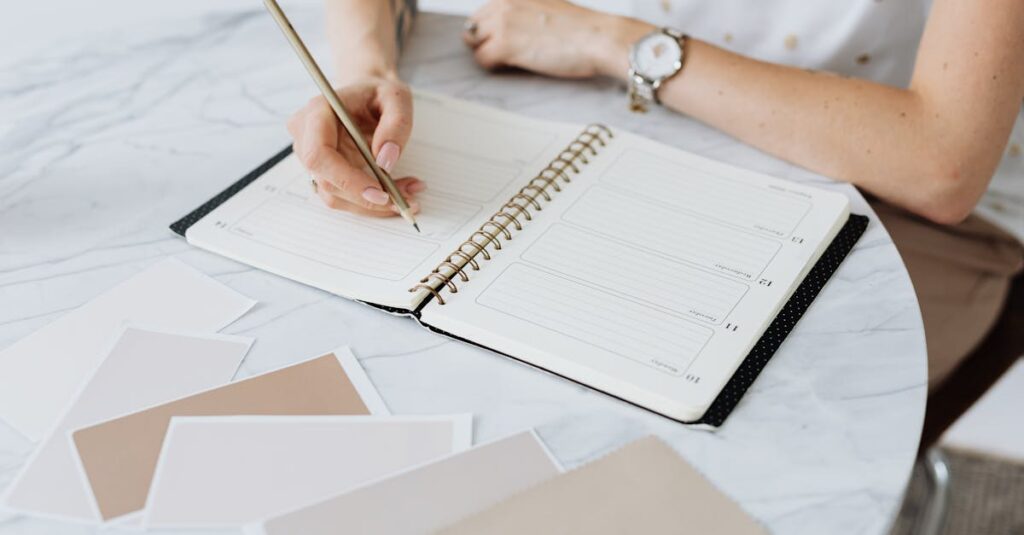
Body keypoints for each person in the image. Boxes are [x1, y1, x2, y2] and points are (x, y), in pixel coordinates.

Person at [287, 0, 1023, 401]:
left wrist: (617, 41)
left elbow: (939, 163)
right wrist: (364, 71)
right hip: (593, 123)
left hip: (891, 205)